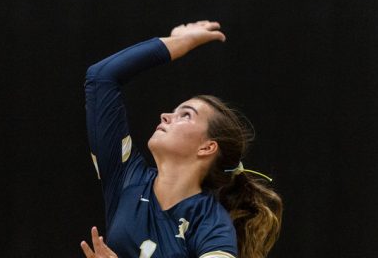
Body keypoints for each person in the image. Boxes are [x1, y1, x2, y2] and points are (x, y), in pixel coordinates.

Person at [80, 20, 283, 258]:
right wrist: (177, 43)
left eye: (185, 115)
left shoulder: (213, 225)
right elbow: (101, 77)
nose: (165, 116)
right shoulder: (126, 177)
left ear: (207, 147)